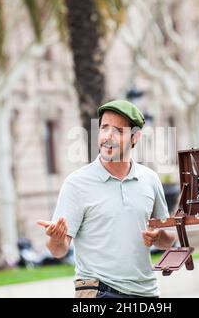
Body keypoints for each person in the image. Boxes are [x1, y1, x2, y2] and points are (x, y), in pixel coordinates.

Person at [37, 99, 176, 298]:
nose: (108, 136)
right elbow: (58, 251)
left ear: (135, 137)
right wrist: (56, 239)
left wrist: (159, 236)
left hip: (147, 293)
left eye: (118, 130)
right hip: (98, 292)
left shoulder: (150, 179)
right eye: (104, 128)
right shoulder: (77, 184)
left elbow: (168, 239)